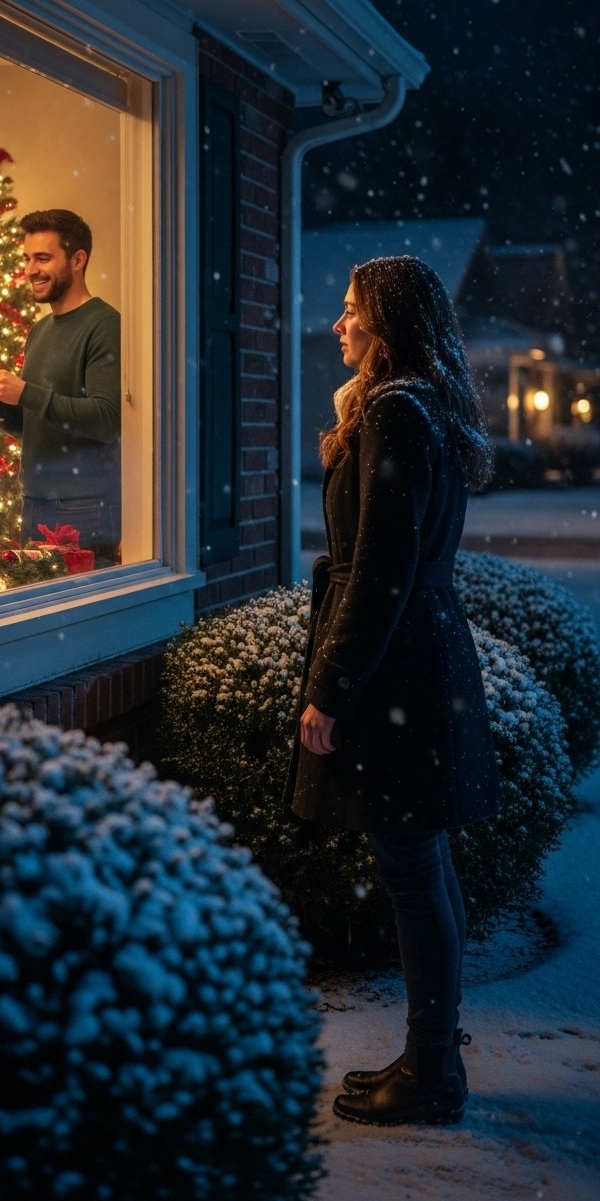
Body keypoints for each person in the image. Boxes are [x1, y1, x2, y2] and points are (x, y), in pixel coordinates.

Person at [286, 254, 501, 1127]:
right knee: (423, 858)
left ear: (389, 321)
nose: (338, 324)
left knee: (411, 866)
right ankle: (432, 1058)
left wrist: (332, 688)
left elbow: (381, 569)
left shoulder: (396, 410)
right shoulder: (417, 404)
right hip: (418, 655)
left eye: (351, 310)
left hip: (399, 664)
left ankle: (430, 1072)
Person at [0, 209, 121, 567]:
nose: (30, 270)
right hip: (34, 503)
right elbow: (31, 425)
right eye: (27, 259)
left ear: (78, 260)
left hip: (85, 507)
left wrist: (25, 392)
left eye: (42, 258)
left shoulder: (105, 324)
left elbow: (106, 419)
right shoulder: (40, 330)